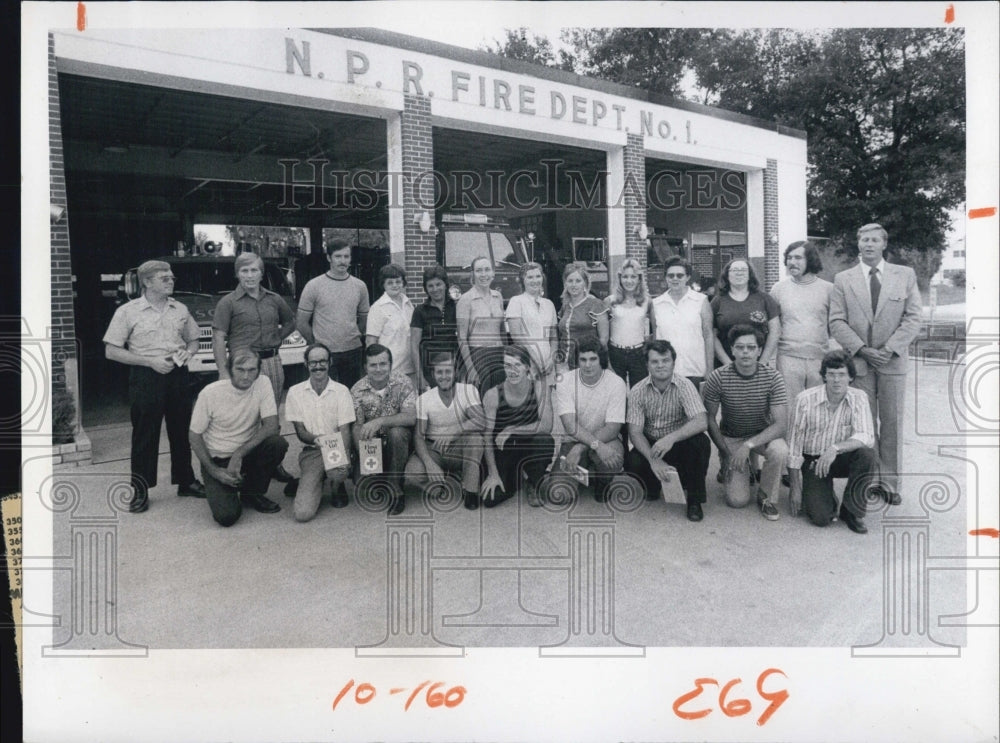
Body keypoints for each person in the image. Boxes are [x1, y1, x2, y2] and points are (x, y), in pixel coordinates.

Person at [829, 223, 922, 506]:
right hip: (860, 362)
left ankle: (891, 483)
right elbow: (837, 321)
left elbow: (913, 317)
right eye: (863, 240)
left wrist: (890, 348)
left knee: (892, 423)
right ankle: (868, 480)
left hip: (892, 362)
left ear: (884, 244)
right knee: (864, 424)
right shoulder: (843, 279)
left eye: (874, 240)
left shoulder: (904, 275)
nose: (868, 244)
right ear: (858, 245)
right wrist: (863, 350)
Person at [103, 259, 205, 513]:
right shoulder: (128, 312)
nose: (171, 281)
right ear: (147, 282)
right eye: (164, 278)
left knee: (181, 429)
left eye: (171, 277)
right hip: (146, 375)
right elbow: (111, 351)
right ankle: (140, 489)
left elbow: (194, 339)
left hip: (177, 373)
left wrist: (188, 354)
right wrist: (149, 362)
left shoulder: (180, 309)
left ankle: (186, 480)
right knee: (145, 434)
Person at [212, 251, 297, 483]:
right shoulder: (227, 302)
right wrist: (222, 371)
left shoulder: (274, 299)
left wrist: (277, 338)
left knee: (271, 416)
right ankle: (242, 462)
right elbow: (218, 338)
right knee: (246, 416)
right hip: (243, 366)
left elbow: (290, 321)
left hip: (271, 362)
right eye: (244, 270)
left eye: (254, 270)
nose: (249, 275)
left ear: (261, 273)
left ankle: (274, 463)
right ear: (237, 274)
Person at [188, 350, 288, 527]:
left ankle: (252, 493)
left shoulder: (263, 383)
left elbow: (271, 425)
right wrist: (214, 471)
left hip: (246, 453)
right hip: (218, 459)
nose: (246, 376)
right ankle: (227, 486)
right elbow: (194, 436)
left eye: (251, 370)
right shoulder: (210, 393)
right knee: (227, 517)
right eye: (240, 369)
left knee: (277, 444)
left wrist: (239, 454)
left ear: (258, 370)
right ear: (229, 368)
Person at [702, 325, 789, 521]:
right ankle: (733, 466)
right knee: (737, 501)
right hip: (731, 436)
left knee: (780, 450)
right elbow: (710, 419)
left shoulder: (773, 377)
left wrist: (749, 445)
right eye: (740, 347)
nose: (745, 352)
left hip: (760, 435)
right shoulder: (718, 376)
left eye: (751, 347)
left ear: (759, 350)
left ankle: (766, 497)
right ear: (732, 349)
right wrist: (725, 451)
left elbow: (781, 424)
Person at [787, 350, 878, 534]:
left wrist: (835, 449)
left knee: (867, 455)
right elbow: (794, 447)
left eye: (842, 374)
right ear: (824, 376)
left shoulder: (859, 397)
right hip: (814, 460)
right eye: (831, 374)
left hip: (840, 456)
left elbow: (867, 436)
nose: (836, 380)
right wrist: (795, 488)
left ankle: (851, 511)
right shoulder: (805, 400)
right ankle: (826, 497)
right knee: (821, 518)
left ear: (851, 377)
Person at [625, 340, 711, 522]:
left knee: (701, 443)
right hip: (652, 444)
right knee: (632, 461)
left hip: (678, 444)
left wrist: (671, 438)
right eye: (655, 361)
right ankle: (654, 484)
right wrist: (653, 460)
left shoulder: (684, 385)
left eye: (665, 360)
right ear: (647, 364)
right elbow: (635, 432)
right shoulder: (637, 390)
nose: (660, 365)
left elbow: (701, 421)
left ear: (673, 362)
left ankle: (694, 499)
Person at [404, 352, 486, 511]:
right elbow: (419, 437)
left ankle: (470, 489)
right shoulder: (425, 399)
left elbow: (481, 420)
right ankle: (438, 483)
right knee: (412, 472)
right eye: (439, 372)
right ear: (433, 374)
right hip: (434, 448)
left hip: (459, 446)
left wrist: (455, 430)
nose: (444, 376)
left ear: (455, 372)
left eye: (448, 371)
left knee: (475, 439)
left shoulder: (468, 390)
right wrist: (429, 464)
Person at [284, 343, 355, 522]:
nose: (318, 366)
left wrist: (343, 458)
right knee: (303, 514)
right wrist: (317, 440)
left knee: (337, 473)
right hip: (312, 450)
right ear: (306, 364)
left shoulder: (342, 391)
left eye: (322, 361)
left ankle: (336, 484)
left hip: (336, 447)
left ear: (330, 362)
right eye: (313, 362)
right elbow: (300, 432)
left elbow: (345, 430)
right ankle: (314, 478)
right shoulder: (294, 392)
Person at [481, 345, 555, 508]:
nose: (512, 371)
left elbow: (546, 425)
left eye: (517, 365)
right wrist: (493, 473)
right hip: (505, 448)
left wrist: (512, 429)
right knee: (490, 499)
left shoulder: (539, 387)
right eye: (507, 365)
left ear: (527, 367)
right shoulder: (493, 394)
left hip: (529, 442)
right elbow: (486, 436)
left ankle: (534, 482)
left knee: (544, 439)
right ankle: (514, 477)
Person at [553, 338, 627, 502]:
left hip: (606, 440)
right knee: (559, 496)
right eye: (583, 359)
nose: (588, 365)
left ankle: (602, 481)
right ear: (577, 361)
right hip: (573, 441)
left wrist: (581, 448)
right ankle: (584, 472)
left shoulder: (616, 383)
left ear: (601, 359)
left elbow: (613, 428)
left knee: (614, 458)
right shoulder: (565, 381)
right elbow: (570, 426)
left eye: (593, 359)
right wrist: (584, 446)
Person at [350, 344, 417, 515]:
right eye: (373, 365)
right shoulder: (357, 390)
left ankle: (397, 490)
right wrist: (364, 454)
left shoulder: (404, 382)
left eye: (383, 364)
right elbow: (357, 426)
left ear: (390, 364)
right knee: (362, 483)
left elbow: (410, 417)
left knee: (397, 432)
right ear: (365, 367)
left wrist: (380, 421)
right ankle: (379, 475)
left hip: (399, 443)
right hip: (372, 445)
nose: (378, 369)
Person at [296, 239, 370, 389]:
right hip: (324, 354)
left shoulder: (360, 286)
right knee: (323, 397)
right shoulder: (313, 286)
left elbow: (364, 320)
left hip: (353, 352)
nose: (342, 261)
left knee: (351, 398)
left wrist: (352, 334)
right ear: (329, 258)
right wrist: (317, 344)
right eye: (338, 256)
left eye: (346, 256)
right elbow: (301, 323)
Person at [769, 240, 834, 404]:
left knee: (818, 408)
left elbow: (835, 326)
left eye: (798, 258)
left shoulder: (829, 289)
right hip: (788, 359)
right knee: (790, 409)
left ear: (810, 260)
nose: (792, 262)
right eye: (789, 258)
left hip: (819, 359)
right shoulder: (778, 289)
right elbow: (772, 326)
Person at [649, 256, 714, 388]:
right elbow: (655, 340)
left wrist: (710, 370)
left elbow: (708, 336)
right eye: (671, 275)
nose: (675, 279)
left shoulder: (701, 301)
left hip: (695, 371)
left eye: (680, 275)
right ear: (666, 277)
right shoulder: (656, 304)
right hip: (666, 374)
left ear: (688, 277)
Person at [711, 258, 780, 367]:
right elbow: (711, 335)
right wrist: (727, 363)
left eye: (743, 270)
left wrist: (762, 362)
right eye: (734, 270)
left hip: (758, 364)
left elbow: (775, 332)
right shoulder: (718, 301)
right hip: (725, 365)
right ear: (727, 275)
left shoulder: (764, 299)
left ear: (750, 275)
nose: (739, 272)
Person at [456, 255, 507, 394]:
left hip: (499, 355)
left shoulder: (498, 296)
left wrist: (507, 357)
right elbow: (461, 338)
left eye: (487, 270)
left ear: (493, 273)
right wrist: (471, 368)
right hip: (478, 356)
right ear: (473, 273)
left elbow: (502, 330)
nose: (483, 274)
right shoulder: (466, 300)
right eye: (479, 270)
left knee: (501, 399)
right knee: (483, 398)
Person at [505, 261, 558, 385]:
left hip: (547, 364)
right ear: (523, 280)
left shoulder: (549, 304)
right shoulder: (516, 302)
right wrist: (535, 360)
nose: (535, 280)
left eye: (538, 276)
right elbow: (516, 336)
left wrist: (551, 360)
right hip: (526, 362)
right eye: (530, 277)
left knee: (547, 402)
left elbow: (554, 337)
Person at [410, 264, 458, 393]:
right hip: (429, 371)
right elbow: (414, 345)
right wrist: (420, 377)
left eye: (438, 284)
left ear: (445, 285)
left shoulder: (456, 306)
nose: (435, 289)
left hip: (452, 369)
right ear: (425, 288)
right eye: (430, 286)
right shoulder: (419, 311)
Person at [366, 263, 416, 386]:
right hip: (389, 371)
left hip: (411, 368)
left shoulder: (409, 304)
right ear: (383, 284)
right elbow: (371, 342)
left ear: (403, 283)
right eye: (390, 282)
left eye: (398, 281)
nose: (395, 285)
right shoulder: (377, 308)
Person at [604, 258, 651, 387]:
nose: (629, 281)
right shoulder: (610, 301)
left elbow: (652, 328)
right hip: (616, 352)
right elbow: (604, 332)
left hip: (638, 353)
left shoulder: (647, 301)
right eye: (625, 277)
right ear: (620, 278)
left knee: (639, 392)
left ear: (639, 279)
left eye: (633, 277)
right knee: (617, 393)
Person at [556, 262, 608, 371]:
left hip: (586, 363)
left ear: (585, 283)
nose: (574, 285)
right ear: (565, 284)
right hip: (564, 363)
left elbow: (603, 339)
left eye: (578, 281)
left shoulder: (595, 304)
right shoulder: (565, 306)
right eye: (570, 281)